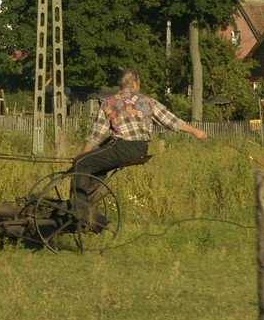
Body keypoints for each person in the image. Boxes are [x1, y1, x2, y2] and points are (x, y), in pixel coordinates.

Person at [69, 68, 208, 218]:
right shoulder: (147, 101)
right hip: (141, 148)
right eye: (139, 82)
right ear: (134, 83)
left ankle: (78, 209)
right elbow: (171, 120)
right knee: (99, 166)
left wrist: (84, 152)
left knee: (82, 162)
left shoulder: (109, 102)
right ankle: (88, 206)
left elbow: (97, 133)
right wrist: (196, 131)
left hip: (122, 147)